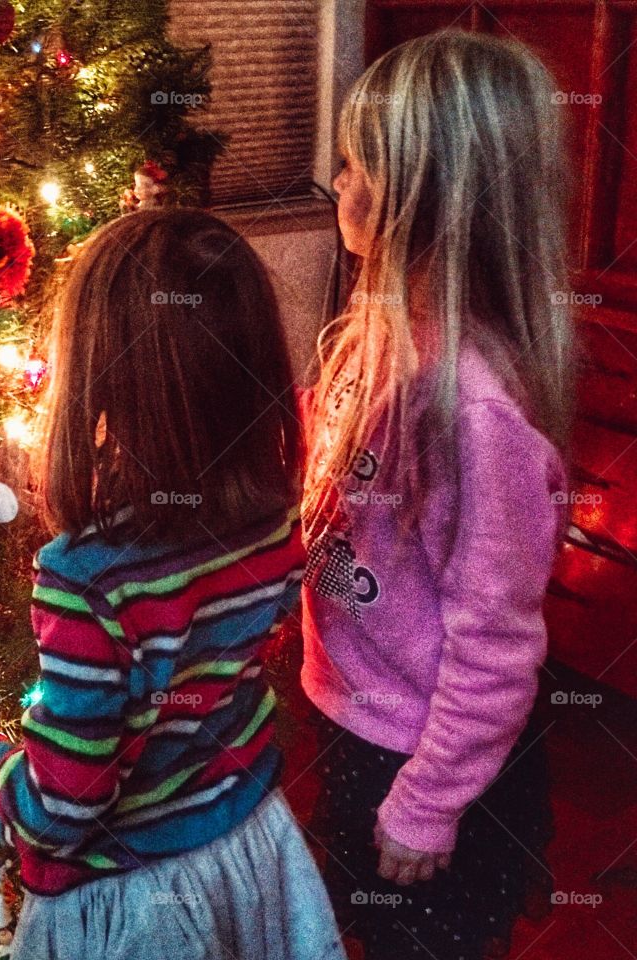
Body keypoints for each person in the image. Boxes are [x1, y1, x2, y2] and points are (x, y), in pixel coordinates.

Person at [0, 208, 344, 960]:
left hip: (134, 902)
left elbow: (63, 808)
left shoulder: (85, 582)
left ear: (99, 384)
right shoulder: (275, 521)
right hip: (247, 843)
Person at [299, 29, 573, 960]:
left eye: (359, 164)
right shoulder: (381, 339)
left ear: (431, 195)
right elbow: (341, 458)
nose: (339, 183)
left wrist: (427, 803)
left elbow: (496, 645)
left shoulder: (476, 414)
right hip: (352, 719)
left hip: (432, 760)